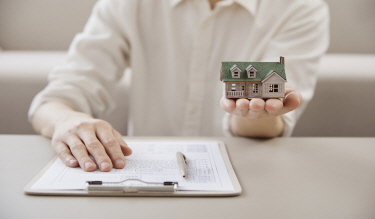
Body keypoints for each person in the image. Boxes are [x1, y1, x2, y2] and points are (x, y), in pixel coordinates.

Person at [29, 0, 329, 172]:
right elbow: (56, 98)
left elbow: (272, 122)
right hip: (139, 174)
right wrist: (67, 119)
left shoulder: (301, 8)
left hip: (248, 178)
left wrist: (252, 114)